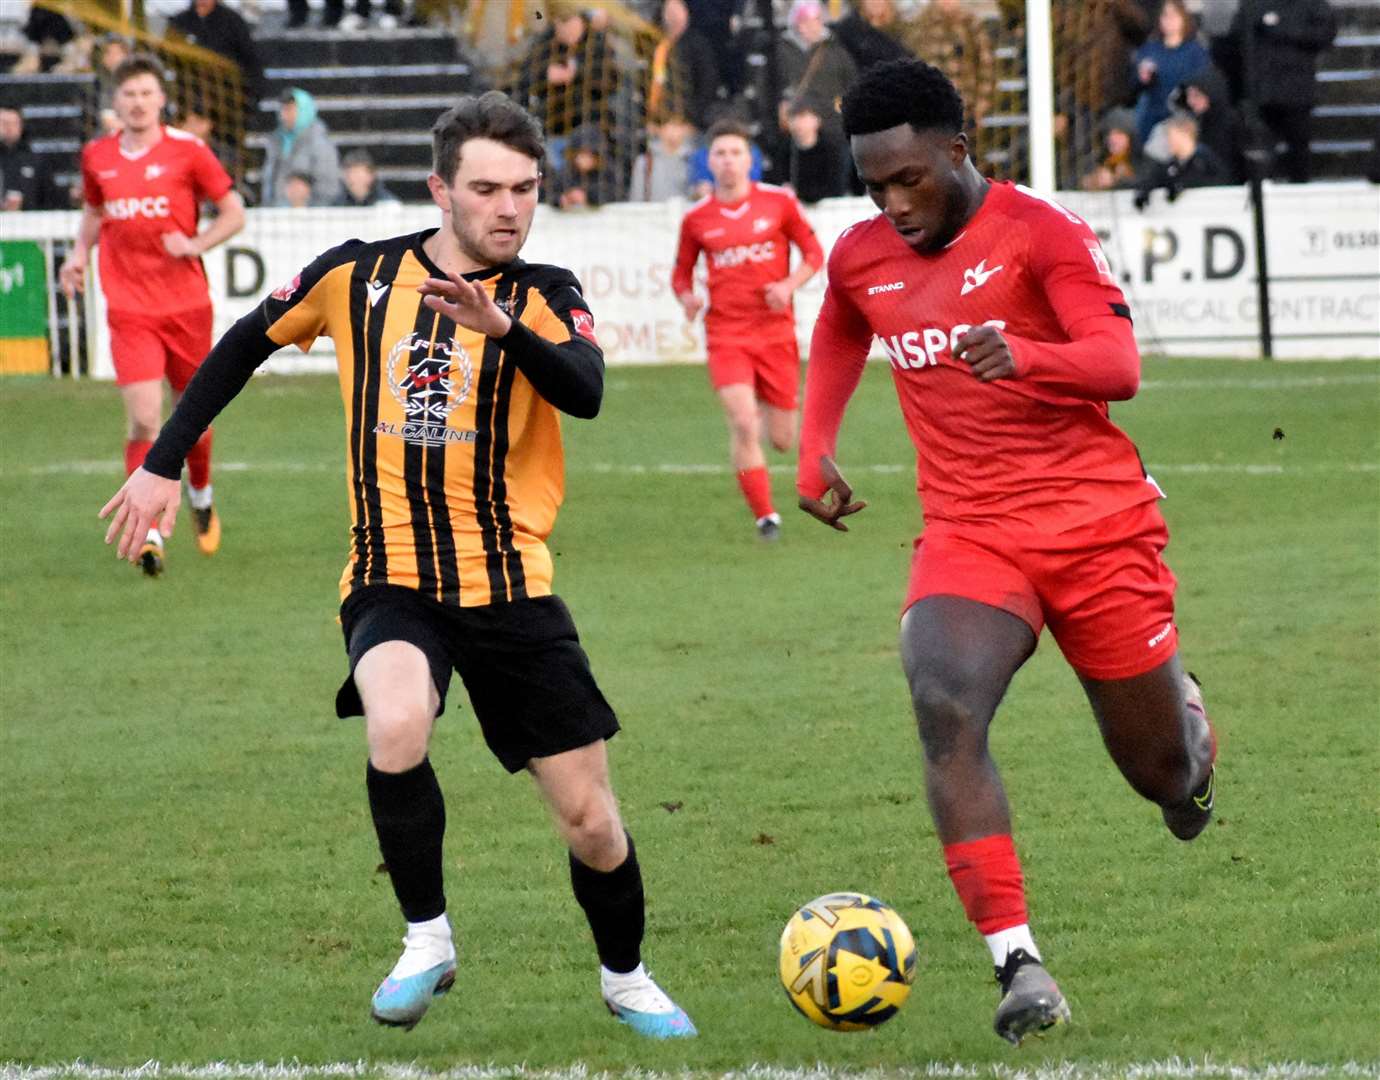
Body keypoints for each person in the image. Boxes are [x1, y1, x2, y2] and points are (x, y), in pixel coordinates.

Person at [96, 89, 696, 1040]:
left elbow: (584, 392)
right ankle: (427, 938)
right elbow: (243, 343)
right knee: (398, 716)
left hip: (511, 587)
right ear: (440, 190)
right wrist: (163, 464)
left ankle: (625, 978)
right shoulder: (357, 275)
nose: (510, 207)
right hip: (390, 576)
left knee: (591, 821)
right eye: (489, 188)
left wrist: (501, 330)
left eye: (526, 189)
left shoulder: (547, 292)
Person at [796, 58, 1217, 1046]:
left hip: (1098, 531)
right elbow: (841, 321)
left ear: (958, 149)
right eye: (875, 185)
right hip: (971, 533)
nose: (896, 203)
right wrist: (814, 446)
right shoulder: (862, 254)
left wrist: (1026, 355)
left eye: (912, 178)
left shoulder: (1042, 234)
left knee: (1162, 776)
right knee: (942, 695)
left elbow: (1118, 367)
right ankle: (1018, 963)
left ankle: (1189, 732)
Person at [58, 54, 245, 577]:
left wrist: (196, 242)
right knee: (143, 415)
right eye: (128, 94)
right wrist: (78, 255)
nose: (137, 103)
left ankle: (201, 495)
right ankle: (150, 534)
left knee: (194, 415)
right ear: (115, 102)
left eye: (146, 93)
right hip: (129, 306)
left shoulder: (189, 151)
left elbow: (234, 211)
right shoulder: (97, 156)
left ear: (161, 99)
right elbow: (95, 212)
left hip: (185, 305)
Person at [673, 118, 825, 540]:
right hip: (727, 333)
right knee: (742, 422)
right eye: (719, 153)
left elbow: (814, 253)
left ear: (749, 160)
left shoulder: (778, 204)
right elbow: (681, 274)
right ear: (709, 161)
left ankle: (759, 425)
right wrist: (687, 299)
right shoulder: (697, 219)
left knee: (781, 439)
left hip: (775, 333)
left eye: (735, 153)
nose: (727, 161)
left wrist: (788, 285)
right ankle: (765, 516)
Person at [1224, 0, 1337, 183]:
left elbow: (1325, 35)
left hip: (1297, 92)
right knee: (1260, 155)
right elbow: (1237, 37)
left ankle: (1301, 193)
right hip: (1261, 94)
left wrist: (1282, 28)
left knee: (1299, 153)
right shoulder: (1253, 5)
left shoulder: (1312, 5)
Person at [1132, 0, 1208, 146]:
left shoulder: (1196, 52)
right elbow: (1134, 82)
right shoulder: (1149, 49)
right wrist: (1142, 77)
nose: (1169, 21)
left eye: (1174, 16)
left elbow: (1204, 84)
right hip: (1153, 118)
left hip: (1185, 119)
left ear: (1183, 19)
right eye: (1165, 16)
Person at [261, 88, 341, 206]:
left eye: (290, 109)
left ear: (304, 110)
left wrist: (308, 208)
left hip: (309, 218)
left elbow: (328, 187)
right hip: (277, 217)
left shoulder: (320, 143)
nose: (284, 115)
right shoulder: (276, 141)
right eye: (283, 109)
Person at [1133, 112, 1229, 208]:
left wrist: (1183, 185)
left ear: (1184, 133)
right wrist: (1144, 192)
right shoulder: (1171, 164)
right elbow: (1155, 179)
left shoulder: (1205, 158)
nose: (1168, 140)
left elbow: (1220, 182)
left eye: (1170, 135)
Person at [0, 105, 62, 211]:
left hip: (30, 223)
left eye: (14, 123)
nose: (9, 128)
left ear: (21, 126)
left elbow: (50, 199)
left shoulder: (37, 161)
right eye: (4, 123)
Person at [628, 114, 697, 202]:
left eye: (677, 126)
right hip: (653, 213)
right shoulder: (645, 161)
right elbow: (637, 195)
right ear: (660, 129)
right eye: (669, 125)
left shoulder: (693, 160)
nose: (673, 131)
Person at [336, 148, 401, 206]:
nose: (353, 179)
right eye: (350, 174)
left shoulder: (388, 204)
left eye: (358, 175)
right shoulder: (337, 204)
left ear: (371, 176)